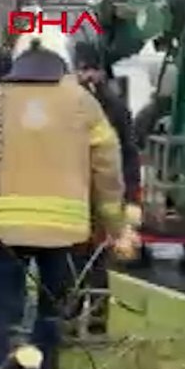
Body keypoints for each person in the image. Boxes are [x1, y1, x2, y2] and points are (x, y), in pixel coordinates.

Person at [0, 26, 130, 369]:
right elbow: (107, 165)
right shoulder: (83, 101)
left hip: (4, 227)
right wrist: (114, 225)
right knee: (52, 312)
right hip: (64, 230)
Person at [70, 43, 142, 336]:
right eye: (83, 69)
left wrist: (131, 195)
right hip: (74, 192)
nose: (88, 76)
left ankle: (98, 323)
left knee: (97, 261)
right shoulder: (70, 103)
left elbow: (129, 152)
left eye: (92, 69)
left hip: (102, 194)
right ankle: (70, 321)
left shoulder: (114, 107)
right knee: (72, 262)